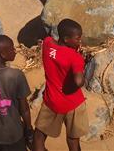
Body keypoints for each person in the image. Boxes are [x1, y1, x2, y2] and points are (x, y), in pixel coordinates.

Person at [33, 19, 88, 151]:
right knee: (73, 140)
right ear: (66, 38)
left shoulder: (47, 44)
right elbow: (79, 82)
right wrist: (82, 68)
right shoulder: (75, 58)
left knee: (39, 136)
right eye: (77, 39)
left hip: (51, 101)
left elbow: (50, 42)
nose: (80, 42)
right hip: (73, 103)